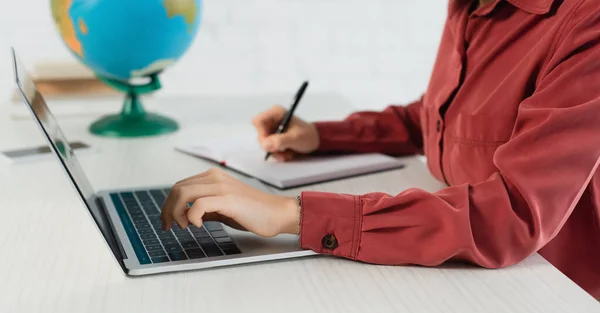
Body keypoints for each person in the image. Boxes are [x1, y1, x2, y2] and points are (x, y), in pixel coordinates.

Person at [161, 0, 600, 297]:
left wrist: (289, 213)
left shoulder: (587, 22)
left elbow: (511, 216)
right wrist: (322, 136)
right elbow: (437, 117)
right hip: (474, 283)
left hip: (556, 303)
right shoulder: (470, 7)